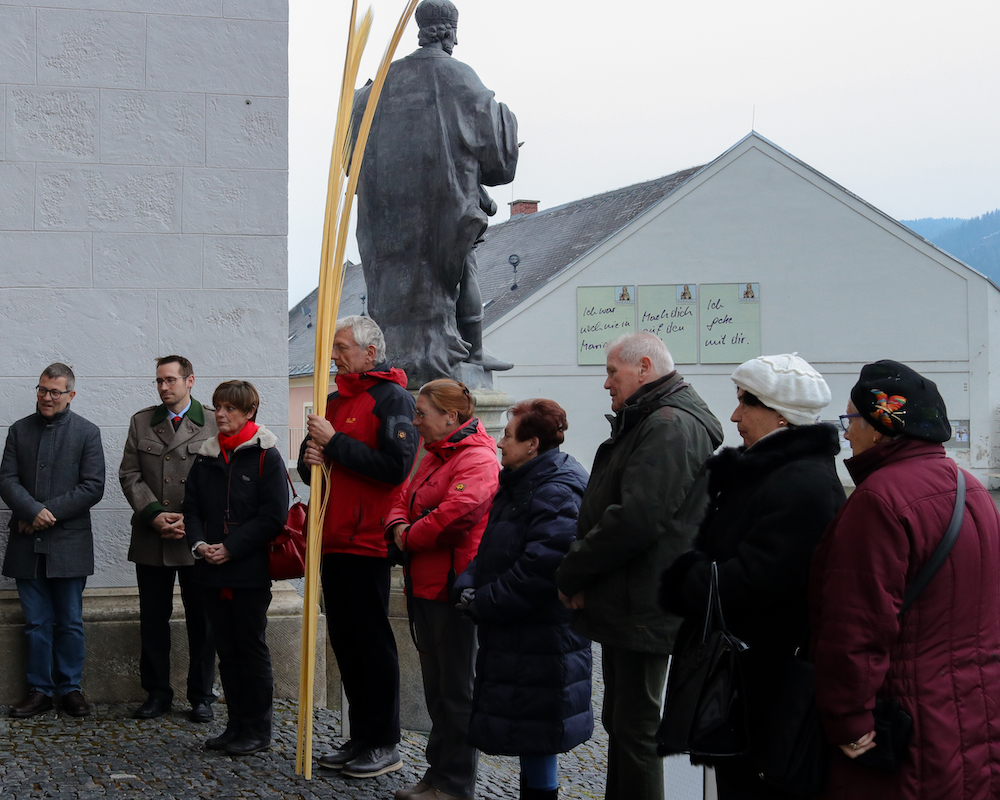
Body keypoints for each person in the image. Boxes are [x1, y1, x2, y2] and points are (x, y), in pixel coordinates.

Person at [810, 360, 1000, 799]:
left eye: (850, 419)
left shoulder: (879, 500)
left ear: (879, 426)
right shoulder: (971, 490)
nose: (845, 433)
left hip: (908, 721)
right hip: (974, 711)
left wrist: (847, 719)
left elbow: (856, 625)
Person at [659, 353, 845, 799]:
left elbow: (758, 579)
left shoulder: (803, 483)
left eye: (745, 403)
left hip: (764, 685)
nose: (735, 415)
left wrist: (688, 580)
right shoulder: (773, 472)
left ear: (780, 414)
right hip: (746, 680)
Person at [554, 332, 723, 800]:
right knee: (626, 723)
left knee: (636, 728)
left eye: (612, 371)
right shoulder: (655, 418)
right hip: (635, 594)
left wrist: (574, 571)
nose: (606, 383)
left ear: (644, 366)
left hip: (645, 599)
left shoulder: (668, 424)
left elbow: (636, 518)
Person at [350, 0, 519, 384]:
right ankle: (471, 349)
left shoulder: (381, 82)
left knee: (392, 283)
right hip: (444, 205)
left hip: (387, 215)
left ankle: (396, 352)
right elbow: (497, 158)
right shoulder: (459, 76)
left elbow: (351, 152)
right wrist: (506, 120)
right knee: (459, 269)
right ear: (450, 34)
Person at [453, 399, 593, 800]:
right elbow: (490, 550)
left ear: (532, 444)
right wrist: (469, 583)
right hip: (519, 633)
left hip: (541, 637)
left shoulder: (556, 489)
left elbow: (542, 567)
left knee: (538, 735)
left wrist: (484, 601)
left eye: (508, 436)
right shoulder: (520, 480)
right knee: (531, 735)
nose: (498, 443)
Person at [297, 315, 418, 779]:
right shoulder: (331, 400)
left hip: (367, 540)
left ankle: (385, 740)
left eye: (342, 347)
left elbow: (394, 468)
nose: (333, 355)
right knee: (346, 643)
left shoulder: (393, 399)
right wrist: (314, 458)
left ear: (370, 352)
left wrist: (335, 442)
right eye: (334, 347)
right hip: (333, 536)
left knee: (371, 643)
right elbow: (323, 469)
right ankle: (363, 736)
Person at [387, 379, 500, 800]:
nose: (414, 422)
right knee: (438, 691)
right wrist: (403, 526)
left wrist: (408, 534)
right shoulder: (432, 453)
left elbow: (458, 514)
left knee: (456, 691)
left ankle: (454, 784)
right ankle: (438, 775)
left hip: (452, 589)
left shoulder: (476, 457)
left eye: (421, 413)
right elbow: (402, 496)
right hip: (427, 585)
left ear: (451, 416)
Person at [183, 381, 288, 756]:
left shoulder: (266, 454)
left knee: (250, 649)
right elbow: (191, 507)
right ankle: (235, 725)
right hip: (211, 570)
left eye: (229, 408)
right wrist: (199, 545)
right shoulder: (207, 456)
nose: (221, 414)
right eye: (218, 407)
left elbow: (273, 515)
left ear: (249, 412)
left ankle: (257, 730)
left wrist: (231, 548)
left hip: (248, 573)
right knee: (226, 651)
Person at [1, 362, 105, 719]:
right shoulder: (19, 431)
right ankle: (40, 690)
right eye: (42, 390)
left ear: (70, 395)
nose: (46, 397)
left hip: (68, 544)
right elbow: (7, 480)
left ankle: (70, 688)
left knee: (70, 621)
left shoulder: (87, 433)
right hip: (26, 544)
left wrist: (45, 514)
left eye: (54, 392)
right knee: (35, 623)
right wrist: (31, 511)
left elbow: (93, 487)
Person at [119, 355, 217, 723]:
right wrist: (154, 514)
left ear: (190, 381)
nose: (164, 387)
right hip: (153, 535)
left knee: (202, 620)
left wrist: (191, 521)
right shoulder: (142, 421)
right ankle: (157, 692)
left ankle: (202, 695)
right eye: (159, 381)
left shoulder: (211, 421)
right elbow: (129, 474)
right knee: (153, 620)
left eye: (171, 380)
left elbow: (218, 476)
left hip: (195, 537)